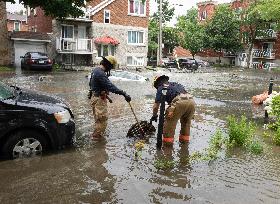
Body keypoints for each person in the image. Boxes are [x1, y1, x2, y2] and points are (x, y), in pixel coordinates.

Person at [88, 56, 131, 139]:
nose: (110, 70)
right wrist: (124, 93)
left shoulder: (95, 70)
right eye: (111, 67)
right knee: (101, 121)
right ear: (108, 65)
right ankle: (97, 144)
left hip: (95, 97)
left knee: (98, 120)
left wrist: (100, 90)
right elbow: (110, 86)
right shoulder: (100, 73)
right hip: (99, 100)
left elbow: (91, 84)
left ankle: (96, 138)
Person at [150, 75, 195, 145]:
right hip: (191, 102)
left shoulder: (161, 87)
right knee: (186, 123)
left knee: (169, 124)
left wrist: (154, 115)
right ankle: (184, 145)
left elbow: (156, 106)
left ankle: (167, 148)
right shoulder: (176, 84)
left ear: (157, 83)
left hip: (179, 102)